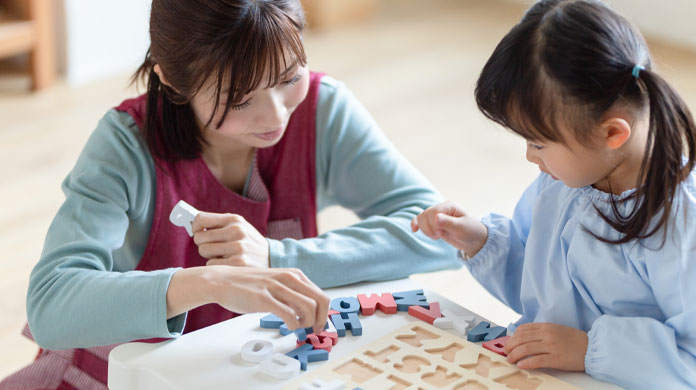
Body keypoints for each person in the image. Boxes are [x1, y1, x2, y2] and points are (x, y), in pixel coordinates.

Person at [1, 0, 459, 388]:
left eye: (288, 77)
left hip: (255, 368)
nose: (276, 115)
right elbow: (50, 303)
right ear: (175, 83)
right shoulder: (126, 144)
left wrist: (277, 258)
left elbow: (442, 234)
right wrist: (210, 283)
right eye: (240, 100)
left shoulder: (323, 109)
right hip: (126, 376)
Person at [412, 0, 696, 388]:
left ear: (613, 133)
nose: (529, 156)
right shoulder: (566, 182)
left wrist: (589, 349)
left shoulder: (681, 222)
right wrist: (481, 242)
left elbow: (690, 360)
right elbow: (545, 294)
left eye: (539, 143)